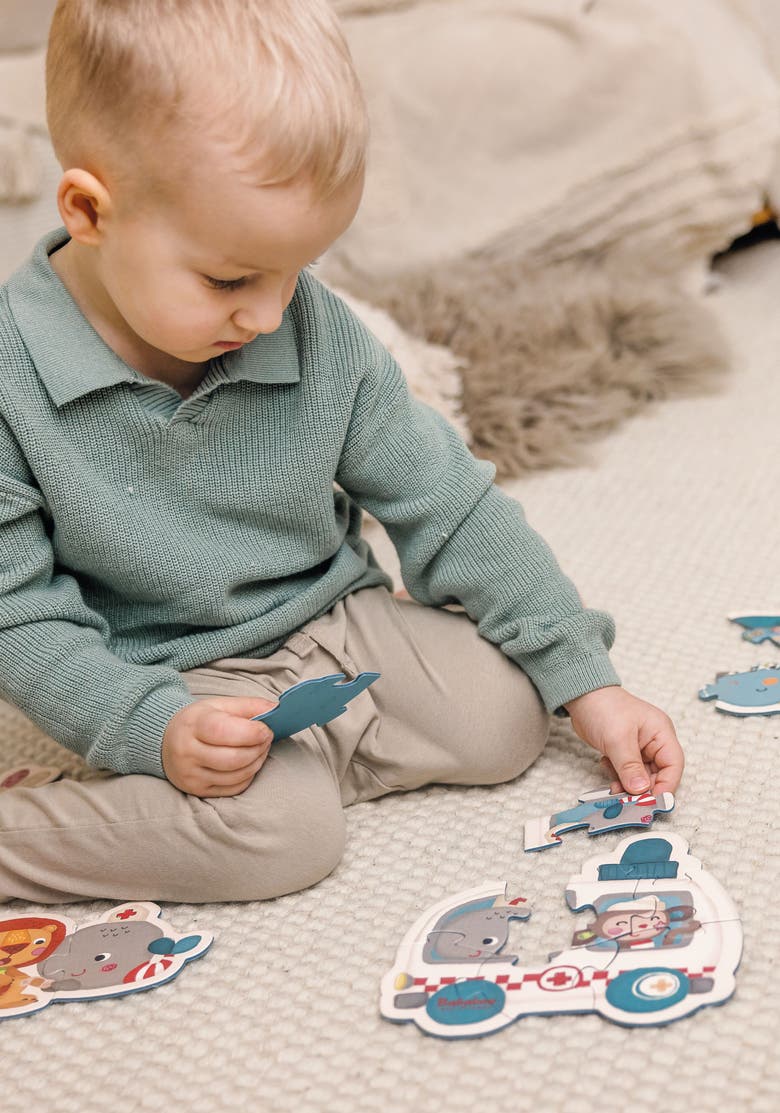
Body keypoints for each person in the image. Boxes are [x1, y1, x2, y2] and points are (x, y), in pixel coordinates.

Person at [0, 0, 683, 905]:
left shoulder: (311, 328)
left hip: (336, 621)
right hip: (170, 670)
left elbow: (449, 504)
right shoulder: (13, 382)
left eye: (300, 268)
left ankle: (309, 753)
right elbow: (20, 620)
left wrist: (585, 677)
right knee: (281, 838)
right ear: (90, 211)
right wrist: (150, 726)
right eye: (232, 278)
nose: (273, 314)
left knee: (507, 715)